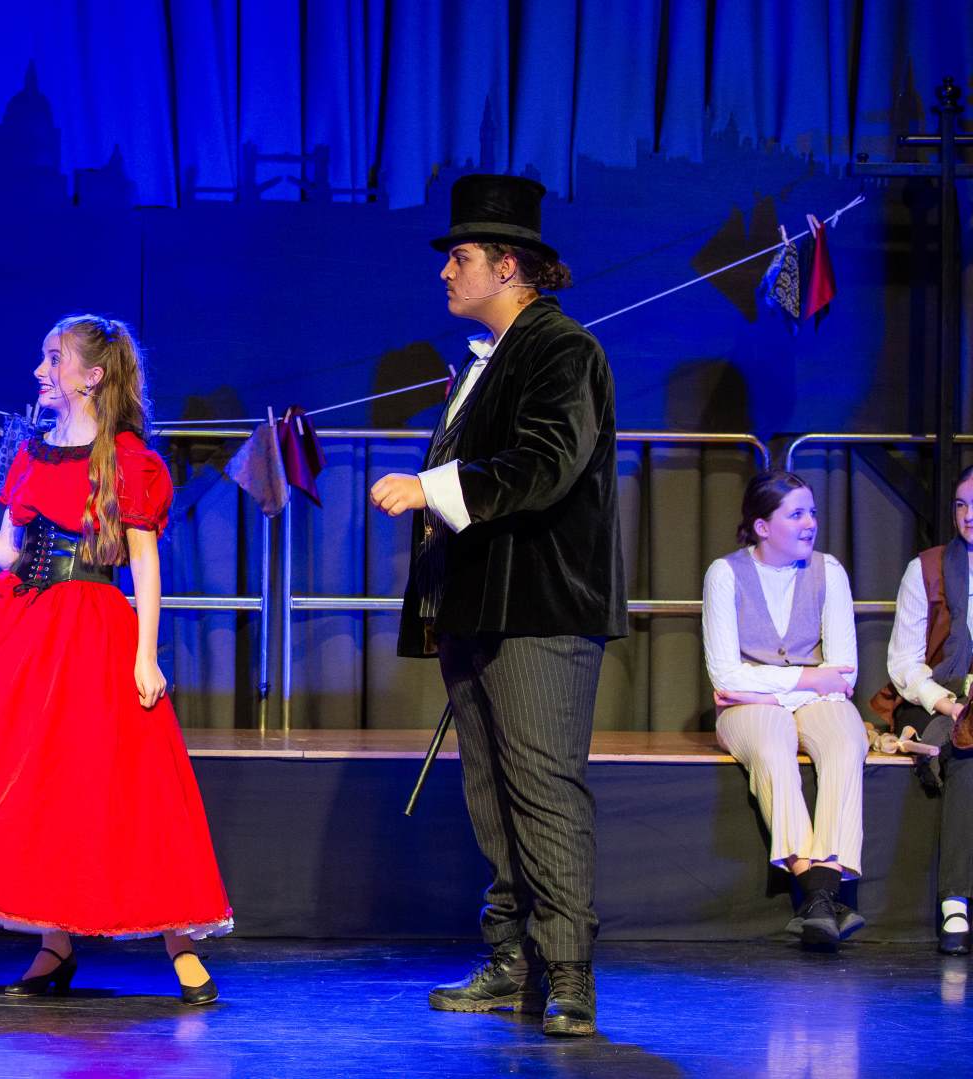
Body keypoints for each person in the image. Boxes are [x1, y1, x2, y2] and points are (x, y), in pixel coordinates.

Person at [0, 314, 233, 1006]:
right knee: (36, 783)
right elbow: (10, 552)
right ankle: (54, 943)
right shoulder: (32, 451)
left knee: (125, 781)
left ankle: (180, 941)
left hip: (92, 626)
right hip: (26, 624)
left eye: (53, 359)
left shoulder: (127, 459)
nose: (40, 371)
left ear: (90, 376)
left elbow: (144, 563)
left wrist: (146, 655)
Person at [369, 174, 624, 1037]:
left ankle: (569, 973)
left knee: (543, 789)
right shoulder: (486, 361)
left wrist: (431, 487)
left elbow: (545, 463)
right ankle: (515, 960)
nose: (446, 270)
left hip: (540, 607)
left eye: (462, 256)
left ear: (508, 266)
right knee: (492, 793)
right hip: (480, 606)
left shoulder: (561, 349)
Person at [704, 470, 868, 950]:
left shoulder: (829, 571)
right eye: (796, 514)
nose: (809, 523)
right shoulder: (725, 574)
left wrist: (769, 691)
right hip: (759, 707)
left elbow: (844, 673)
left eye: (811, 512)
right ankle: (821, 892)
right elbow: (725, 676)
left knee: (847, 742)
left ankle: (818, 895)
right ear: (762, 526)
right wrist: (805, 680)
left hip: (809, 698)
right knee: (774, 745)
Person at [870, 464, 973, 955]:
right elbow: (904, 664)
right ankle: (956, 901)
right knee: (968, 749)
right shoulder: (927, 568)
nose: (969, 515)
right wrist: (948, 704)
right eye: (961, 505)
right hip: (931, 696)